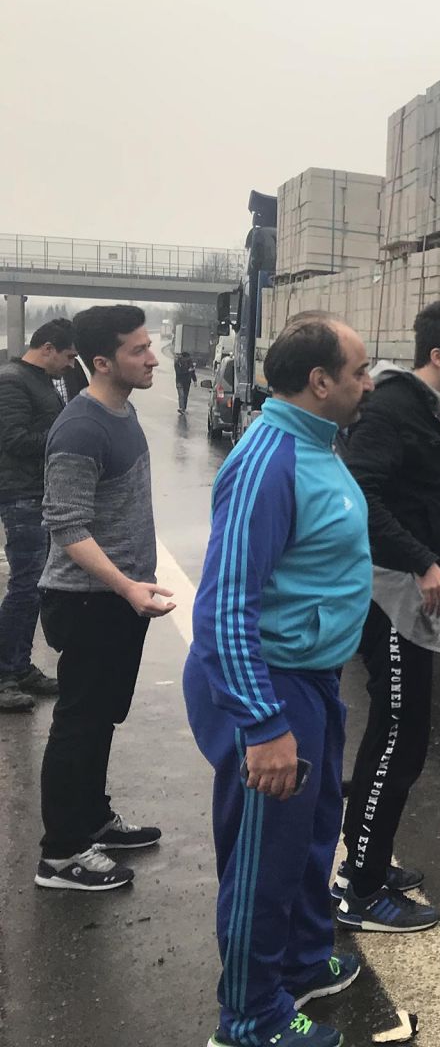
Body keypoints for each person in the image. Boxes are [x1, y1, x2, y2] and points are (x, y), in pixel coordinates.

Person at [184, 314, 374, 1047]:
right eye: (358, 370)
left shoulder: (318, 443)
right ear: (320, 382)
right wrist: (262, 724)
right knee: (263, 860)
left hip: (312, 678)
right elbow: (226, 604)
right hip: (270, 681)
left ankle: (299, 963)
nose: (367, 381)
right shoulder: (269, 458)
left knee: (310, 834)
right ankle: (249, 1018)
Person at [335, 302, 440, 933]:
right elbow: (361, 493)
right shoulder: (395, 406)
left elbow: (416, 493)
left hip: (412, 577)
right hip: (392, 591)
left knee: (405, 734)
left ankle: (368, 859)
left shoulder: (423, 406)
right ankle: (361, 889)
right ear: (439, 356)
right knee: (398, 736)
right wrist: (420, 562)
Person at [34, 306, 173, 891]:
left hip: (117, 600)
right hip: (89, 600)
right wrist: (126, 586)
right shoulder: (81, 427)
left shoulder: (122, 410)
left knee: (99, 720)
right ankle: (62, 854)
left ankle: (92, 820)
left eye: (149, 345)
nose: (153, 358)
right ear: (101, 363)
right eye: (139, 350)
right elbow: (66, 526)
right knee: (80, 722)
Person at [0, 318, 77, 713]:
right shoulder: (12, 380)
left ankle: (19, 665)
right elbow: (13, 440)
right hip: (21, 496)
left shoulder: (42, 380)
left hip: (37, 495)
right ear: (47, 348)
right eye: (67, 356)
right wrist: (62, 432)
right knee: (26, 586)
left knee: (34, 586)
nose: (69, 364)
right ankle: (4, 674)